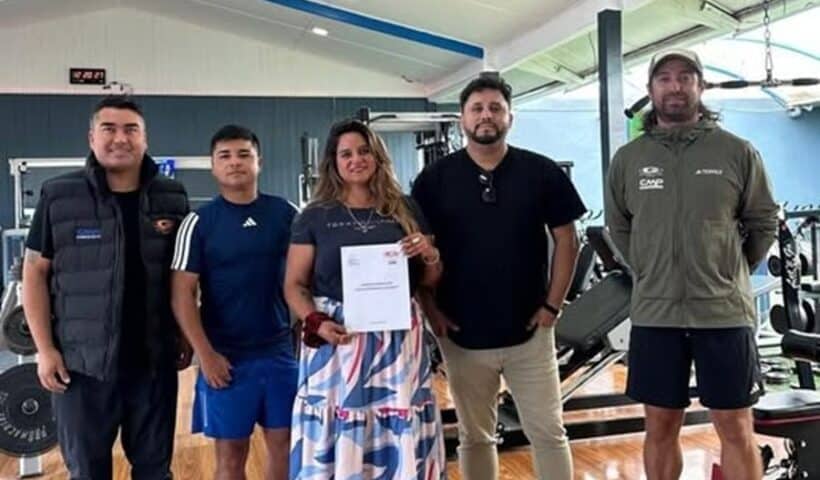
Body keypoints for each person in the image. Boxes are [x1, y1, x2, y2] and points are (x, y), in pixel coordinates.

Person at [605, 48, 779, 480]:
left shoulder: (736, 151)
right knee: (660, 426)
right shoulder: (628, 159)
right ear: (651, 90)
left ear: (701, 86)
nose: (675, 86)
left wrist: (728, 269)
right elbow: (620, 227)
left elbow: (763, 221)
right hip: (656, 313)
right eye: (664, 78)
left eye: (685, 77)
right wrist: (650, 269)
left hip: (723, 311)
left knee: (735, 426)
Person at [411, 75, 586, 480]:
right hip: (461, 334)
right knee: (475, 437)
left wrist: (552, 307)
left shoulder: (541, 172)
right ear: (462, 118)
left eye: (495, 108)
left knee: (549, 433)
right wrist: (431, 311)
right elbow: (422, 255)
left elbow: (568, 240)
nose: (486, 115)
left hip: (530, 333)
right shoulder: (433, 181)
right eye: (477, 108)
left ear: (510, 117)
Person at [21, 96, 190, 480]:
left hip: (152, 364)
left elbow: (183, 276)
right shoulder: (58, 195)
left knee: (155, 471)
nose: (120, 138)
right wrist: (45, 350)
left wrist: (183, 334)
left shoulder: (172, 197)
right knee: (87, 472)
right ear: (91, 138)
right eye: (109, 129)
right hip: (81, 368)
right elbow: (34, 273)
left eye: (131, 129)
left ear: (145, 138)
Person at [284, 119, 446, 479]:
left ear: (377, 157)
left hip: (397, 338)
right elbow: (294, 285)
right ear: (334, 162)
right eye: (346, 154)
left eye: (363, 151)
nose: (356, 159)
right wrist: (316, 322)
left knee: (398, 414)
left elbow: (429, 281)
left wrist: (429, 253)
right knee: (337, 419)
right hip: (337, 337)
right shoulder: (315, 216)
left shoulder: (405, 208)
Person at [170, 125, 297, 480]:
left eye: (244, 154)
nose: (235, 162)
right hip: (225, 358)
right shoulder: (198, 222)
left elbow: (307, 277)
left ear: (259, 162)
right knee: (230, 455)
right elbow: (181, 294)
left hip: (279, 353)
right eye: (224, 156)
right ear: (213, 166)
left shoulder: (286, 213)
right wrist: (205, 355)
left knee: (285, 444)